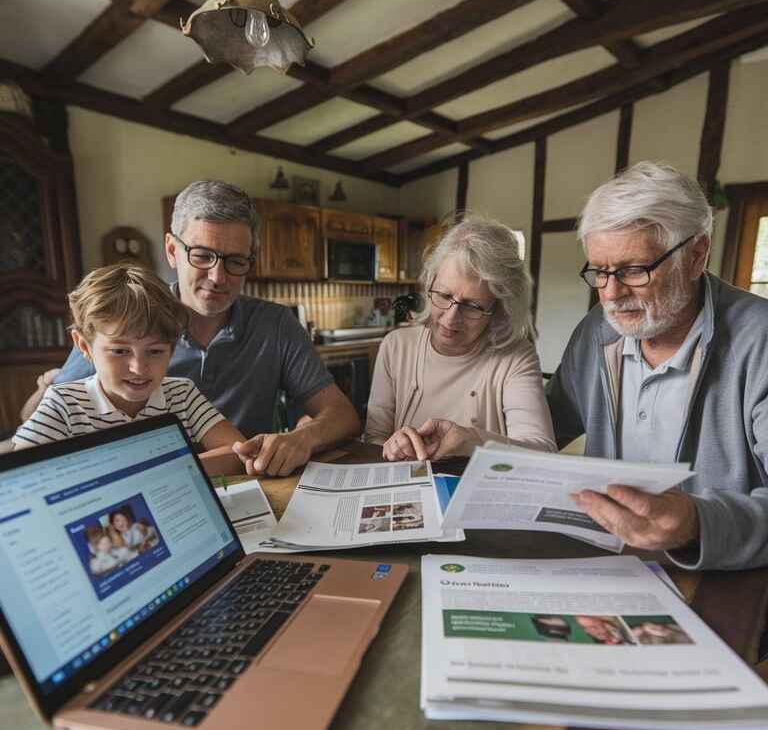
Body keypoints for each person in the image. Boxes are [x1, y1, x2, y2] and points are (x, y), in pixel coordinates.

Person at [22, 180, 360, 476]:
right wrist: (45, 387)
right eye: (202, 255)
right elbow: (40, 418)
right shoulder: (128, 320)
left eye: (235, 261)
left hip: (246, 484)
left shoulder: (275, 324)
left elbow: (343, 415)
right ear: (172, 250)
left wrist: (303, 436)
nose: (218, 277)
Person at [546, 161, 768, 570]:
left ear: (697, 255)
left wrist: (698, 524)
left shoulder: (761, 341)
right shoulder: (597, 331)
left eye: (634, 270)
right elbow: (547, 427)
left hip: (727, 581)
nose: (610, 294)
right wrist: (472, 438)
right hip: (608, 564)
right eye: (599, 271)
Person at [13, 263, 245, 476]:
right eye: (120, 351)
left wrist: (154, 473)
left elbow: (238, 452)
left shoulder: (181, 395)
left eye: (155, 351)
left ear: (172, 350)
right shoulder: (64, 405)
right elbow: (17, 477)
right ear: (85, 346)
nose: (139, 368)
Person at [365, 215, 555, 461]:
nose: (450, 319)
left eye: (472, 306)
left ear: (498, 309)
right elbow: (373, 439)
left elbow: (543, 451)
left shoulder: (516, 357)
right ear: (429, 284)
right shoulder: (396, 346)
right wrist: (391, 447)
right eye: (443, 295)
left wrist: (472, 440)